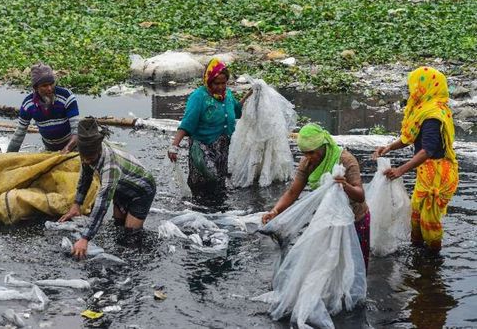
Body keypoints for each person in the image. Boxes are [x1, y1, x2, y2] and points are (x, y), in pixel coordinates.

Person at [372, 66, 458, 254]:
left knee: (430, 221)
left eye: (414, 86)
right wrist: (389, 147)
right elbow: (410, 138)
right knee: (416, 215)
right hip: (425, 171)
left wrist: (400, 170)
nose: (411, 90)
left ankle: (433, 261)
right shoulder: (424, 109)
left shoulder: (432, 116)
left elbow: (427, 150)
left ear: (425, 87)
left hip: (437, 175)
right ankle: (417, 251)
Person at [262, 123, 371, 269]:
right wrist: (275, 211)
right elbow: (293, 193)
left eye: (312, 152)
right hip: (327, 220)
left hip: (354, 219)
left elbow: (360, 195)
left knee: (355, 265)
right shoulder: (306, 163)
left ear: (323, 146)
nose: (308, 157)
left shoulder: (345, 160)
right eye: (304, 153)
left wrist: (344, 185)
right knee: (327, 266)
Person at [59, 117, 156, 259]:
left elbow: (102, 204)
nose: (86, 161)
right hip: (121, 187)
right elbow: (85, 177)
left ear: (97, 150)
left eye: (89, 158)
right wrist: (76, 205)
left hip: (141, 190)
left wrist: (85, 238)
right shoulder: (86, 152)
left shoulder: (110, 165)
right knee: (118, 227)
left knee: (131, 235)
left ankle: (139, 260)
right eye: (84, 157)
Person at [167, 58, 251, 193]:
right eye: (216, 83)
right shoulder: (199, 97)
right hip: (202, 146)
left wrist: (249, 96)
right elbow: (187, 122)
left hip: (222, 146)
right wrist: (174, 145)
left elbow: (236, 111)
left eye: (224, 83)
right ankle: (197, 209)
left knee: (219, 182)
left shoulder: (227, 95)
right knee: (207, 180)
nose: (221, 87)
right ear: (208, 80)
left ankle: (217, 212)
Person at [7, 63, 79, 153]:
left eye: (51, 83)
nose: (49, 88)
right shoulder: (28, 104)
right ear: (36, 88)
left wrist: (67, 149)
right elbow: (20, 133)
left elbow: (76, 131)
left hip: (73, 147)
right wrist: (9, 155)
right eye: (44, 86)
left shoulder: (66, 96)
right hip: (50, 149)